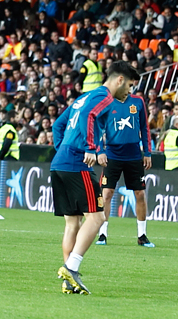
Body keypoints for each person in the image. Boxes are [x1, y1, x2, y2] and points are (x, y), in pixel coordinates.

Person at [51, 61, 139, 295]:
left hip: (60, 163)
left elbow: (58, 125)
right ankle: (72, 268)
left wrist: (63, 149)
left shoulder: (83, 97)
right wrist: (90, 147)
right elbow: (89, 116)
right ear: (119, 80)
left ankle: (68, 281)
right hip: (77, 163)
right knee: (98, 217)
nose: (130, 92)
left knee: (73, 223)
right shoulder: (104, 97)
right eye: (129, 86)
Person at [95, 91, 154, 248]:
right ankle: (102, 234)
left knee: (140, 194)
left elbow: (144, 127)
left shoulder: (138, 101)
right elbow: (97, 128)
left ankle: (142, 235)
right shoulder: (106, 103)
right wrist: (100, 151)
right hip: (112, 155)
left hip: (134, 155)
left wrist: (147, 152)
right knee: (106, 193)